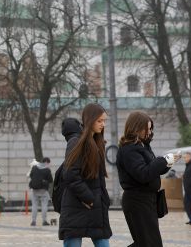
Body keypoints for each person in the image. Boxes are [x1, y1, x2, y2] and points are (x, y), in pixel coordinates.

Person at [116, 111, 178, 247]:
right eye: (147, 128)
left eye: (151, 128)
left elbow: (152, 169)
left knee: (146, 242)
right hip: (137, 201)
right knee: (149, 243)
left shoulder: (142, 146)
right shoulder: (129, 149)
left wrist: (168, 163)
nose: (149, 132)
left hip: (147, 200)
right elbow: (143, 173)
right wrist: (163, 160)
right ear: (137, 128)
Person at [59, 103, 112, 247]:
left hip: (95, 208)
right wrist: (89, 198)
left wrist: (103, 200)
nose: (103, 124)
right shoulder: (76, 142)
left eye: (104, 121)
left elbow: (99, 179)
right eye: (99, 121)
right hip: (76, 206)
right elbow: (70, 174)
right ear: (90, 120)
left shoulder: (98, 142)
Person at [28, 157, 53, 226]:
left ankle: (33, 221)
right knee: (44, 205)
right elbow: (50, 180)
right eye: (49, 163)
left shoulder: (34, 167)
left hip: (34, 189)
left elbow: (31, 176)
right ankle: (44, 221)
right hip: (43, 190)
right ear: (47, 162)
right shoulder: (47, 170)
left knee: (34, 205)